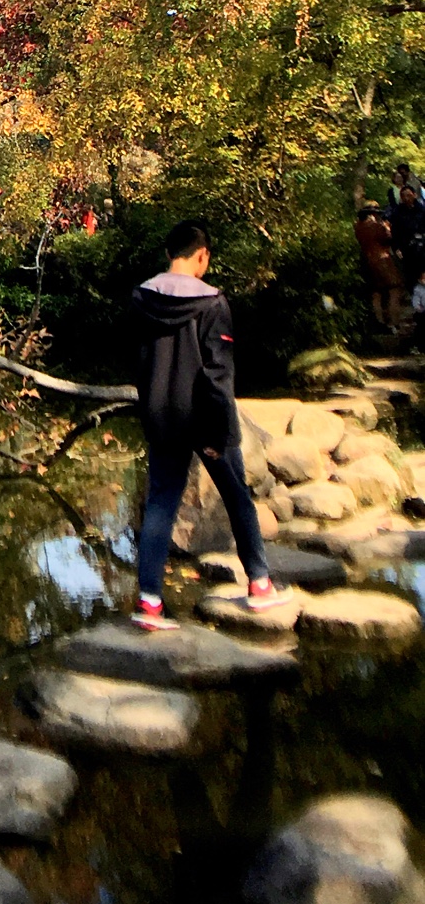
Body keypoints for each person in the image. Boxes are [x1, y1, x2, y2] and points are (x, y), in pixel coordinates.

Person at [129, 220, 282, 629]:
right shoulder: (213, 303)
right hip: (205, 418)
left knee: (160, 504)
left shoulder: (141, 298)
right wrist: (219, 434)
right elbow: (218, 374)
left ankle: (149, 603)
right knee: (238, 498)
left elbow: (139, 366)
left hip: (161, 417)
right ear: (202, 256)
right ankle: (260, 585)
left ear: (168, 255)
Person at [356, 202, 408, 330]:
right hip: (382, 259)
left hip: (367, 260)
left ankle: (379, 322)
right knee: (395, 290)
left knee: (376, 294)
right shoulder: (377, 226)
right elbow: (388, 237)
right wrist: (387, 227)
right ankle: (394, 322)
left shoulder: (358, 226)